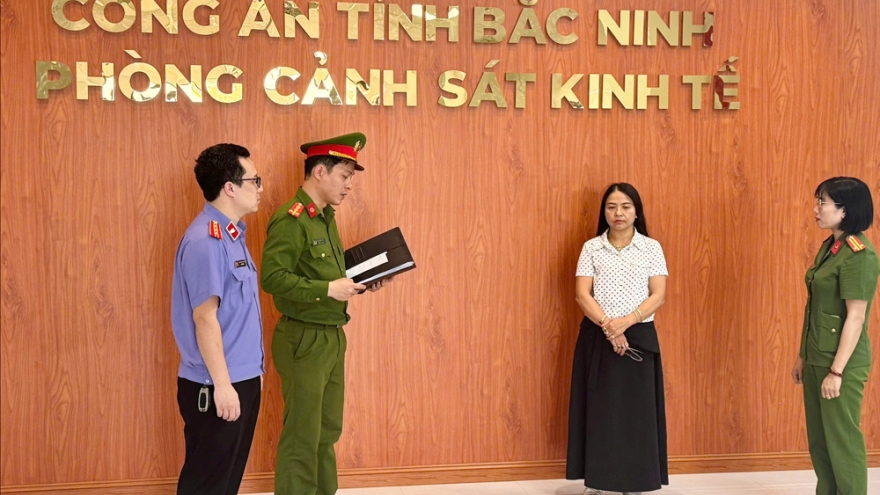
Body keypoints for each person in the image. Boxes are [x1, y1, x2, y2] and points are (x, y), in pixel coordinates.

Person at [261, 132, 389, 495]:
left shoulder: (325, 217)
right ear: (320, 171)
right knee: (303, 435)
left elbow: (324, 271)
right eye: (345, 176)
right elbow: (272, 277)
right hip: (304, 337)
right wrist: (328, 289)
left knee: (327, 430)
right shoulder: (292, 218)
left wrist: (361, 281)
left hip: (331, 335)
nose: (349, 185)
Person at [170, 143, 265, 495]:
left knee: (225, 483)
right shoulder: (206, 240)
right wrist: (223, 386)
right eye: (255, 180)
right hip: (217, 385)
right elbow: (205, 318)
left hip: (242, 378)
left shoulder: (232, 235)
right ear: (230, 187)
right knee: (206, 486)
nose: (260, 188)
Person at [566, 183, 669, 495]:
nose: (618, 213)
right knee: (600, 411)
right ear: (604, 212)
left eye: (625, 206)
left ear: (636, 212)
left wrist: (625, 323)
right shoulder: (591, 248)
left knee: (637, 414)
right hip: (598, 336)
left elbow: (658, 295)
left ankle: (636, 481)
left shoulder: (651, 247)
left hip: (639, 336)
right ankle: (598, 482)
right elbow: (582, 294)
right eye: (611, 207)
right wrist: (610, 328)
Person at [792, 177, 879, 495]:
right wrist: (803, 355)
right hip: (817, 356)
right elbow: (816, 309)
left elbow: (855, 317)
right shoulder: (831, 247)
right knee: (820, 442)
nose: (816, 209)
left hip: (841, 362)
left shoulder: (859, 255)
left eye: (823, 203)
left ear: (845, 210)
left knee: (843, 442)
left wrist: (837, 371)